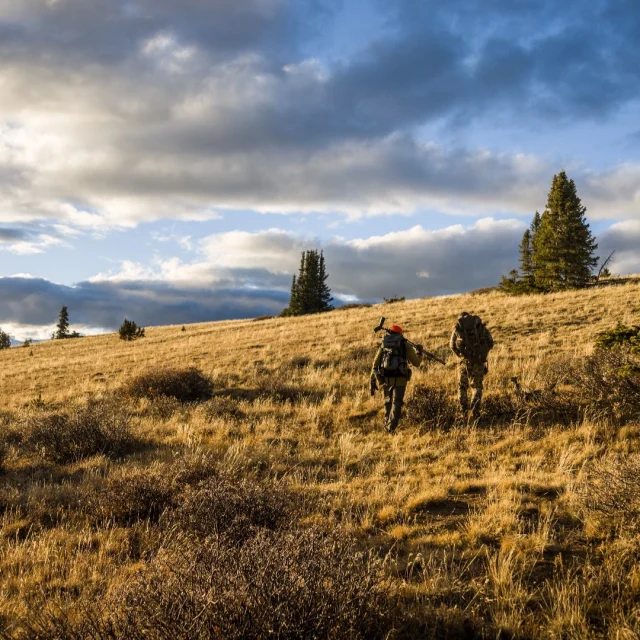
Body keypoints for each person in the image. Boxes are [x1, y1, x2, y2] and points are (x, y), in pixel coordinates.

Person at [370, 324, 423, 433]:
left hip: (386, 379)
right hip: (400, 380)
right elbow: (416, 363)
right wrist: (419, 353)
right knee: (396, 404)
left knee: (387, 404)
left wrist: (372, 380)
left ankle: (387, 426)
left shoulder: (384, 344)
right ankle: (390, 428)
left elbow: (375, 364)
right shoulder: (405, 345)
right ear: (400, 334)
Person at [449, 312, 494, 417]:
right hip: (478, 362)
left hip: (464, 362)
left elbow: (451, 346)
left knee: (462, 387)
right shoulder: (480, 328)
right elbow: (491, 343)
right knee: (477, 387)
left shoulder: (458, 329)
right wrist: (482, 354)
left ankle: (463, 411)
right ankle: (475, 410)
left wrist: (460, 355)